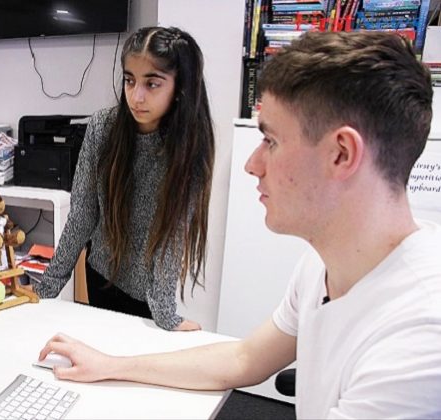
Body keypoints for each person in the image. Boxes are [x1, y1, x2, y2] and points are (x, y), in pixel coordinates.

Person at [38, 31, 441, 418]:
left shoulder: (418, 341)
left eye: (272, 141)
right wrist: (110, 364)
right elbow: (243, 359)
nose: (252, 165)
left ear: (341, 154)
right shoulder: (322, 267)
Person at [34, 26, 215, 331]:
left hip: (149, 295)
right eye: (130, 80)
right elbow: (83, 214)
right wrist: (46, 290)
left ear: (179, 87)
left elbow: (171, 237)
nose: (136, 96)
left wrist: (166, 315)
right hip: (100, 275)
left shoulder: (188, 147)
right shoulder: (103, 127)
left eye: (152, 84)